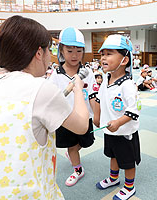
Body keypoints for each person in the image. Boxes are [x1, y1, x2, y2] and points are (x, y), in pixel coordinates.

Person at [0, 15, 89, 199]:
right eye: (49, 50)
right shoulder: (40, 88)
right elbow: (81, 125)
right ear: (39, 53)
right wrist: (78, 88)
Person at [93, 34, 141, 200]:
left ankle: (129, 186)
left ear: (124, 60)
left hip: (124, 133)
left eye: (109, 53)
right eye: (102, 54)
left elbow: (134, 110)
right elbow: (99, 98)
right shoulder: (106, 79)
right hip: (109, 130)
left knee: (127, 161)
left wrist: (119, 122)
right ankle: (114, 178)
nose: (104, 58)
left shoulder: (127, 85)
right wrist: (97, 116)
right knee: (112, 155)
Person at [48, 27, 96, 187]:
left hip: (85, 118)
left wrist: (97, 114)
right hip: (66, 120)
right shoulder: (56, 75)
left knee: (86, 142)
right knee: (71, 147)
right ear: (61, 50)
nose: (74, 55)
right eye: (69, 51)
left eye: (79, 51)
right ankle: (77, 170)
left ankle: (73, 152)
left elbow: (93, 96)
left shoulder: (88, 72)